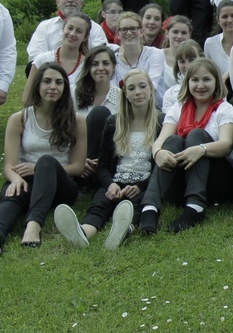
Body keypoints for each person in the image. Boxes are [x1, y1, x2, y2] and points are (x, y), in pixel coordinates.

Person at [0, 63, 86, 258]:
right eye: (47, 81)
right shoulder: (19, 119)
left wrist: (38, 168)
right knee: (14, 194)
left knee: (46, 162)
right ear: (38, 85)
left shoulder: (77, 121)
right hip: (26, 180)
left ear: (65, 88)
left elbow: (78, 167)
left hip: (61, 186)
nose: (53, 86)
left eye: (59, 82)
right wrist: (16, 179)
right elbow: (9, 166)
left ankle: (33, 225)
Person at [54, 68, 160, 250]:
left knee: (135, 207)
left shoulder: (161, 123)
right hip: (115, 182)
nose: (138, 92)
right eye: (132, 88)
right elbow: (102, 166)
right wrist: (110, 184)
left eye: (143, 86)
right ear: (125, 94)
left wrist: (140, 186)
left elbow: (159, 169)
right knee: (99, 204)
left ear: (150, 89)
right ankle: (83, 232)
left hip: (142, 185)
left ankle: (123, 231)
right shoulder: (114, 123)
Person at [139, 58, 233, 233]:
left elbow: (226, 144)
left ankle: (195, 208)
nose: (200, 85)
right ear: (188, 83)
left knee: (196, 135)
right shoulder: (179, 107)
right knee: (173, 141)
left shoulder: (224, 109)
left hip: (216, 182)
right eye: (195, 80)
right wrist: (158, 153)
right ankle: (150, 209)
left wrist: (201, 149)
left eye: (206, 79)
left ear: (216, 82)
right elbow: (160, 141)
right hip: (182, 181)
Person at [24, 0, 106, 61]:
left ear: (81, 3)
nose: (70, 0)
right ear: (57, 2)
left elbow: (100, 56)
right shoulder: (44, 27)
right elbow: (35, 56)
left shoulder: (95, 28)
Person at [75, 44, 120, 174]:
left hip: (108, 158)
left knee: (101, 113)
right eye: (95, 64)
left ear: (113, 67)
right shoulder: (73, 94)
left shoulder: (122, 97)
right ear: (88, 68)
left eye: (106, 63)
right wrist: (80, 160)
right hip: (78, 156)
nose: (100, 68)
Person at [113, 12, 168, 107]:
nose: (129, 33)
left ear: (141, 32)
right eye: (124, 29)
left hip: (154, 108)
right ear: (118, 34)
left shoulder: (155, 54)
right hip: (123, 109)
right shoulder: (113, 59)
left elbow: (152, 85)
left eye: (133, 28)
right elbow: (114, 90)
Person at [30, 13, 92, 86]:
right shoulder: (42, 60)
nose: (72, 33)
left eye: (79, 31)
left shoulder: (87, 66)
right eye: (70, 28)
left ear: (85, 37)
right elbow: (29, 92)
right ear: (63, 28)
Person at [203, 0, 233, 81]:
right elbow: (208, 72)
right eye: (224, 17)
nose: (229, 20)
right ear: (218, 20)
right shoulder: (210, 43)